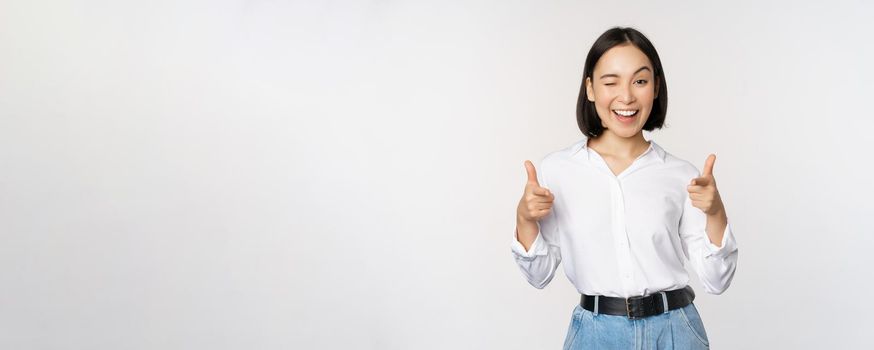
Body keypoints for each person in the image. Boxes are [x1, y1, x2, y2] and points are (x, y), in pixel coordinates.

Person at [511, 27, 738, 349]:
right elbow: (539, 276)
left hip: (675, 332)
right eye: (611, 81)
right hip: (595, 335)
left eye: (640, 81)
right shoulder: (557, 170)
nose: (627, 96)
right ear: (590, 88)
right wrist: (524, 219)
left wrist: (716, 211)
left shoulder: (680, 175)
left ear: (655, 87)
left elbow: (717, 280)